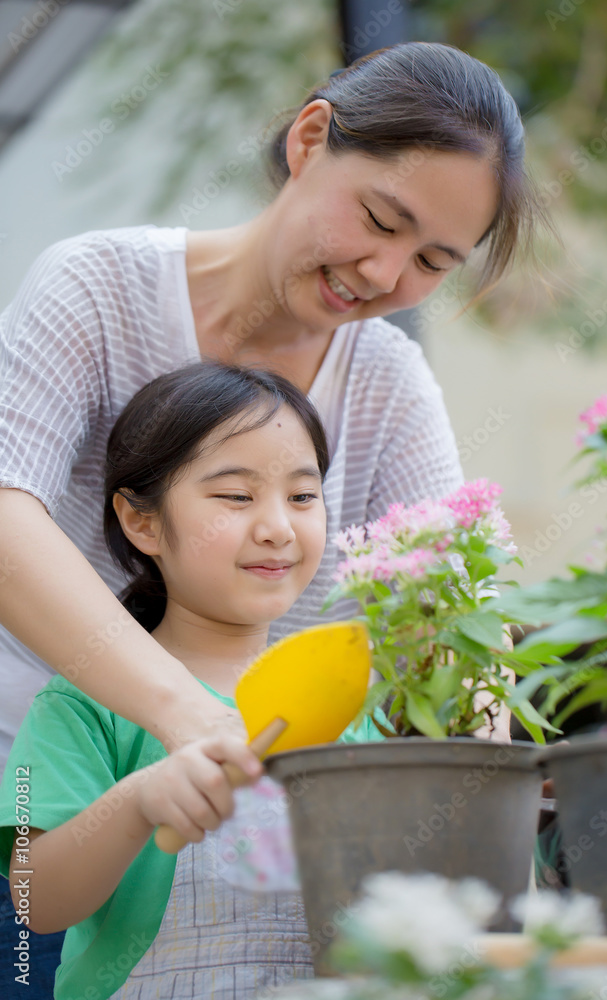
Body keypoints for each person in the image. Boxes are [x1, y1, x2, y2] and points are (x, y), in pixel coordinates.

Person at [0, 40, 543, 990]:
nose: (382, 274)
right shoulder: (95, 288)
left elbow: (463, 606)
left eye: (430, 261)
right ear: (309, 138)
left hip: (294, 875)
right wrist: (189, 722)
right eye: (378, 218)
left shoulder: (386, 382)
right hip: (77, 830)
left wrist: (485, 795)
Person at [0, 362, 384, 1000]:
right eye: (236, 496)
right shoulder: (83, 702)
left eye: (302, 495)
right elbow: (33, 901)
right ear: (142, 523)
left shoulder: (346, 692)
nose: (278, 528)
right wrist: (140, 802)